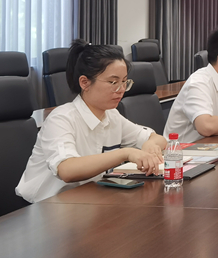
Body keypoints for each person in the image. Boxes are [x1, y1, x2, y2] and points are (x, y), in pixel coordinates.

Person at [16, 40, 167, 203]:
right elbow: (67, 170)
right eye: (113, 82)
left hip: (88, 201)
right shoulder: (61, 118)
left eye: (124, 82)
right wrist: (125, 153)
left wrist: (151, 144)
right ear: (85, 82)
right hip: (46, 207)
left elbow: (159, 139)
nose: (121, 89)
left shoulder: (111, 115)